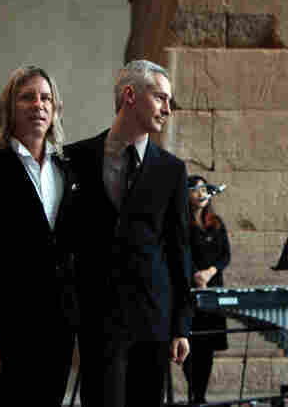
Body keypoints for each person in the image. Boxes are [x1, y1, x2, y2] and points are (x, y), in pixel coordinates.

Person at [66, 59, 192, 407]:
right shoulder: (75, 159)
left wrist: (182, 324)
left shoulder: (172, 170)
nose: (168, 109)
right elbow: (64, 243)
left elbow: (179, 250)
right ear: (130, 95)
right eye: (160, 98)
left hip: (153, 320)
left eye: (169, 100)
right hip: (97, 319)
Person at [0, 66, 78, 406]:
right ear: (10, 109)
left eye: (46, 98)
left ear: (54, 111)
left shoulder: (69, 171)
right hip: (9, 328)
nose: (38, 104)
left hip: (59, 327)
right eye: (27, 97)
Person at [184, 175, 231, 405]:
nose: (201, 193)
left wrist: (210, 272)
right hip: (191, 292)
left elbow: (225, 256)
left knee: (208, 346)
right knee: (191, 343)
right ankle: (194, 393)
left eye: (204, 189)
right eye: (195, 189)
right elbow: (180, 253)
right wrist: (195, 275)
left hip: (213, 292)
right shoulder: (182, 223)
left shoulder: (217, 222)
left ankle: (200, 396)